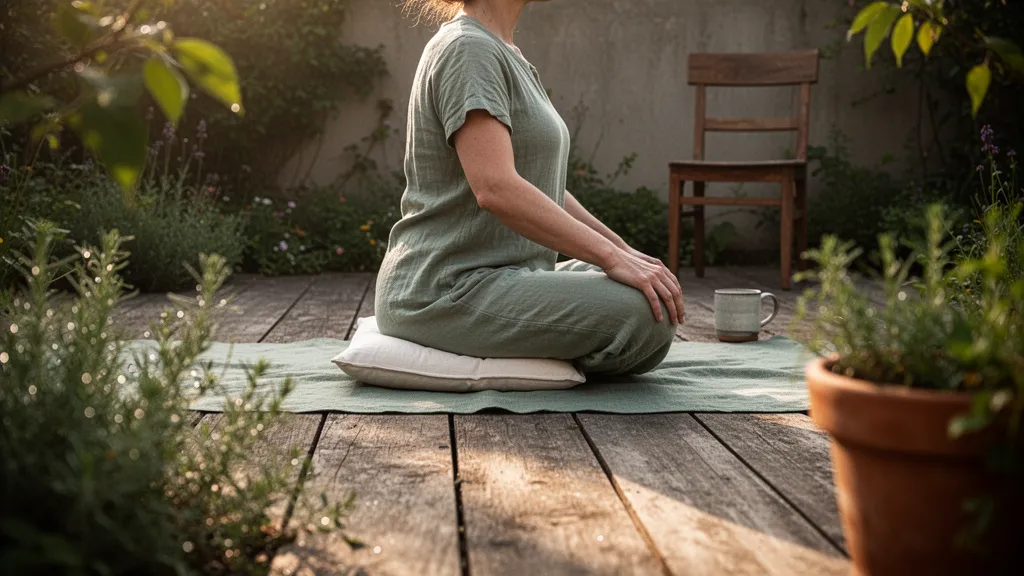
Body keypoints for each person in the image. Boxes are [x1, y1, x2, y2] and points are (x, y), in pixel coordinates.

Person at [376, 0, 684, 375]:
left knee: (652, 292)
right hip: (445, 290)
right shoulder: (467, 50)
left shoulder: (504, 51)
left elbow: (541, 186)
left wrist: (624, 252)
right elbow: (496, 188)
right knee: (644, 315)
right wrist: (611, 258)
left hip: (506, 277)